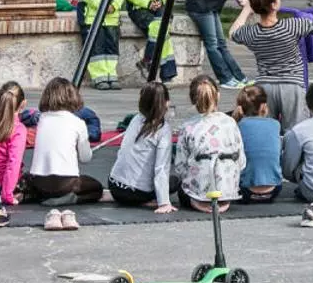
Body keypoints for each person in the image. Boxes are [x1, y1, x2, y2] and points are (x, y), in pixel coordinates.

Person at [230, 0, 313, 131]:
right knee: (296, 132)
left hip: (264, 88)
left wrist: (247, 9)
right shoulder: (293, 25)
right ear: (274, 5)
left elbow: (233, 33)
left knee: (267, 131)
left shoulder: (252, 33)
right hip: (292, 87)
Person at [26, 77, 102, 209]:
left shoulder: (42, 119)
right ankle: (70, 198)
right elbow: (85, 158)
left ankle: (42, 195)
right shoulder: (78, 122)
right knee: (97, 188)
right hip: (66, 184)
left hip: (39, 183)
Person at [172, 75, 245, 213]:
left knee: (180, 187)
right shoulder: (230, 122)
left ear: (192, 99)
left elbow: (180, 166)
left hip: (198, 194)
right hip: (227, 192)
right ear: (218, 96)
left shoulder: (187, 126)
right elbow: (241, 162)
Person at [108, 82, 176, 213]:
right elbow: (161, 168)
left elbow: (124, 151)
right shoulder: (163, 129)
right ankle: (148, 199)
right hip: (136, 193)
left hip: (114, 186)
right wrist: (164, 203)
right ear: (166, 103)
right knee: (175, 181)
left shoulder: (135, 119)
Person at [233, 85, 282, 203]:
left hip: (245, 190)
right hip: (274, 189)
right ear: (263, 106)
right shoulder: (275, 124)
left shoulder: (238, 126)